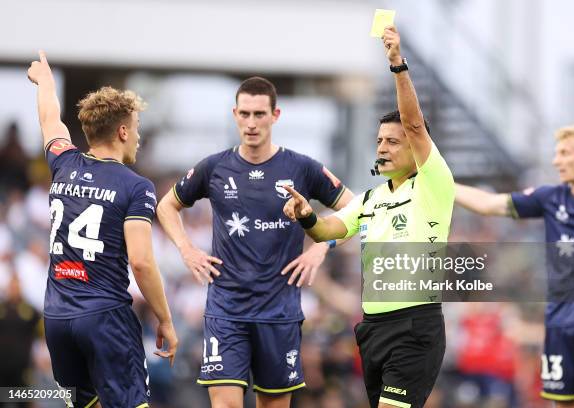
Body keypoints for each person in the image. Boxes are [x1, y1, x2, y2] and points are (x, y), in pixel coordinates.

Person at [283, 26, 455, 408]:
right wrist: (307, 214)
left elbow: (413, 123)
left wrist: (397, 64)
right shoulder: (371, 199)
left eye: (392, 141)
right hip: (373, 329)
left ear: (416, 148)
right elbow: (328, 229)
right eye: (379, 140)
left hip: (415, 325)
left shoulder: (433, 183)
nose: (382, 147)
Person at [156, 76, 353, 408]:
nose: (251, 123)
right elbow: (166, 206)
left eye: (259, 114)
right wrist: (186, 249)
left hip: (280, 312)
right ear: (235, 114)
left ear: (275, 116)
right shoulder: (215, 167)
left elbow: (356, 208)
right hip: (226, 311)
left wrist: (320, 247)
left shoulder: (301, 167)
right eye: (244, 114)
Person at [27, 51, 178, 408]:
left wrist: (46, 82)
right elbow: (141, 262)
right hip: (105, 318)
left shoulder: (63, 163)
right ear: (123, 131)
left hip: (58, 317)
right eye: (137, 128)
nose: (138, 137)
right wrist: (165, 319)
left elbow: (50, 119)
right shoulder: (136, 186)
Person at [454, 123, 574, 407]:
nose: (556, 161)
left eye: (565, 153)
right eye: (556, 153)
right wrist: (439, 182)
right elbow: (489, 204)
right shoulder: (549, 198)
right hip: (560, 326)